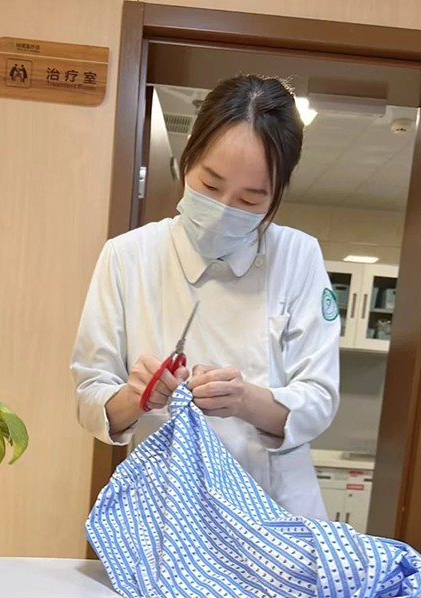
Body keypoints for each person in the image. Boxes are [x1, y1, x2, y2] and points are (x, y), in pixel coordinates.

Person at [71, 75, 340, 517]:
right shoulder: (128, 256)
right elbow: (89, 397)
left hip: (274, 513)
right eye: (211, 187)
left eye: (250, 200)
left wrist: (244, 400)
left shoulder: (298, 256)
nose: (224, 211)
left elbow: (319, 400)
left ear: (277, 195)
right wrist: (137, 396)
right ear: (188, 155)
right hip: (167, 513)